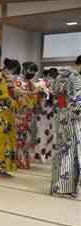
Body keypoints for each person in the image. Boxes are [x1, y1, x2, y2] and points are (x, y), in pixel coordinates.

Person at [50, 57, 81, 198]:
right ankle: (62, 188)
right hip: (71, 118)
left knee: (64, 150)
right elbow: (76, 102)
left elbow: (55, 93)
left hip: (62, 116)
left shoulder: (63, 76)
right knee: (69, 151)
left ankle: (59, 186)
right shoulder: (75, 79)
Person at [15, 62, 38, 169]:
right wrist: (31, 93)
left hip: (28, 113)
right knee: (19, 137)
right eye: (31, 70)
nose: (32, 73)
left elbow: (34, 96)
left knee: (26, 137)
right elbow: (18, 94)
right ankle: (18, 160)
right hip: (19, 113)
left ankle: (23, 160)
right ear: (24, 69)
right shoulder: (17, 81)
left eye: (34, 71)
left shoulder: (30, 83)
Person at [33, 69, 55, 164]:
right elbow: (36, 100)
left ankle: (47, 156)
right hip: (42, 115)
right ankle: (39, 156)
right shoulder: (40, 84)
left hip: (51, 114)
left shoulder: (54, 86)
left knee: (50, 135)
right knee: (41, 135)